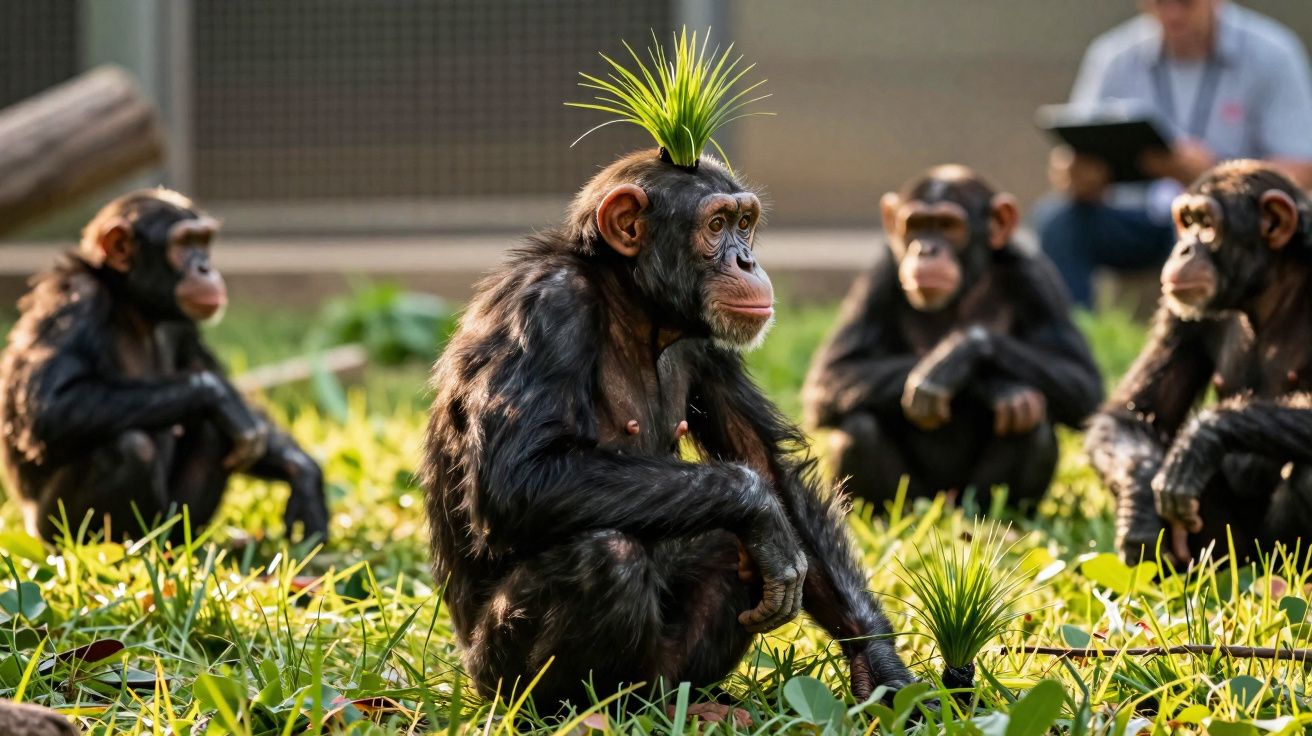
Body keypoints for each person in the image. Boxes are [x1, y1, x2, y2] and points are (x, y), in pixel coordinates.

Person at [1035, 0, 1312, 309]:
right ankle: (1070, 342)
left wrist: (1214, 175)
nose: (1171, 14)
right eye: (1159, 3)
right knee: (1057, 220)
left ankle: (1208, 347)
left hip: (1224, 216)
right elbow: (1071, 156)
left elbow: (1301, 167)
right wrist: (1075, 177)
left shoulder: (1272, 53)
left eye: (1185, 3)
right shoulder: (1113, 56)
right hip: (1135, 213)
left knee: (1194, 224)